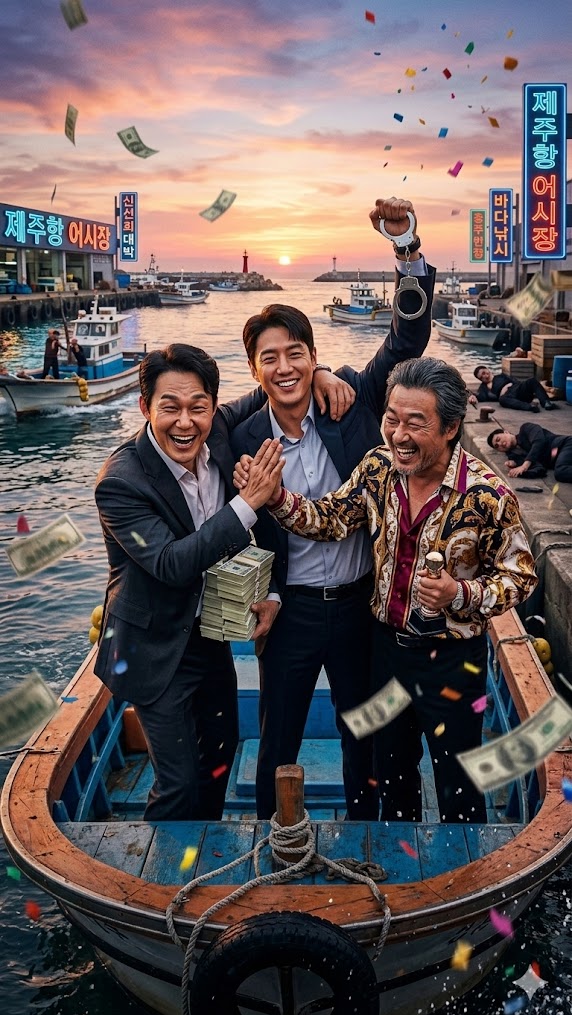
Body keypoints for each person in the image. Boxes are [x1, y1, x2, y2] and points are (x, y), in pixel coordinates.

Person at [251, 357, 537, 824]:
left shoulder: (488, 496)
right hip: (383, 654)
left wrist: (458, 595)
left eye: (415, 423)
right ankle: (396, 880)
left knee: (459, 782)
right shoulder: (377, 468)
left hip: (454, 660)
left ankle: (463, 882)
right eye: (392, 418)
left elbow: (521, 576)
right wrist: (277, 497)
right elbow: (332, 519)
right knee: (391, 774)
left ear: (450, 428)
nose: (398, 435)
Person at [231, 196, 436, 821]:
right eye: (271, 357)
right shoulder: (242, 436)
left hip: (359, 607)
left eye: (297, 353)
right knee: (278, 741)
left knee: (364, 738)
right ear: (254, 369)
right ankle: (273, 843)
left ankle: (364, 841)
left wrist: (407, 251)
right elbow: (188, 427)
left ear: (313, 357)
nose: (286, 366)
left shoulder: (356, 402)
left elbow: (409, 336)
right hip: (287, 612)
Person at [94, 343, 350, 822]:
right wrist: (248, 503)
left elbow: (276, 385)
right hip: (154, 647)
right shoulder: (120, 482)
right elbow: (172, 563)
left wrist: (321, 373)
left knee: (218, 759)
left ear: (214, 405)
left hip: (210, 634)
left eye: (198, 407)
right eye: (169, 407)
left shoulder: (223, 434)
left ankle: (204, 856)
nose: (185, 422)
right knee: (178, 783)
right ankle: (161, 887)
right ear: (145, 406)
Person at [488, 423, 572, 482]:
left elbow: (539, 441)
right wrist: (518, 471)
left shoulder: (525, 428)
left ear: (506, 432)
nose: (499, 444)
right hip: (560, 460)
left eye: (498, 439)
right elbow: (540, 470)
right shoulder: (514, 456)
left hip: (564, 445)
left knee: (561, 471)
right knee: (561, 472)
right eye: (497, 446)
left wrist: (525, 465)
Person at [469, 364, 558, 412]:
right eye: (481, 377)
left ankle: (546, 402)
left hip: (517, 390)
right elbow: (479, 396)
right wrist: (472, 397)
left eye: (484, 372)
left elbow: (516, 381)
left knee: (532, 380)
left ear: (487, 369)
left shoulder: (501, 376)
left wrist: (512, 386)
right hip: (508, 397)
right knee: (502, 399)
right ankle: (530, 407)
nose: (485, 376)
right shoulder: (483, 388)